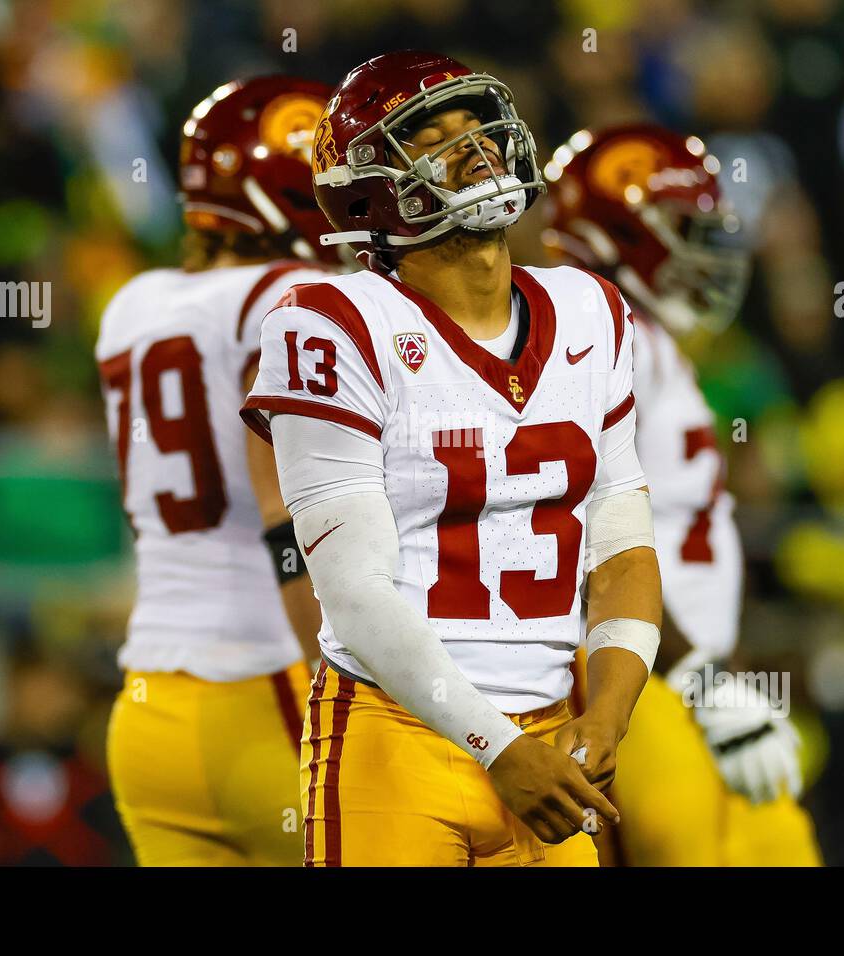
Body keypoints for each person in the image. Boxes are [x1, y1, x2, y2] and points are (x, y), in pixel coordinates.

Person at [242, 51, 663, 866]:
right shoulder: (329, 322)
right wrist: (499, 749)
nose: (475, 147)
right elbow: (354, 595)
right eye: (432, 137)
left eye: (477, 126)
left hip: (551, 742)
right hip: (393, 737)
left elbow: (622, 542)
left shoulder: (590, 308)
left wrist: (606, 717)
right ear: (371, 188)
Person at [543, 122, 820, 865]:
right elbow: (573, 538)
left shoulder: (646, 339)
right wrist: (698, 678)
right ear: (624, 231)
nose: (707, 250)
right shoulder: (599, 335)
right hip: (631, 678)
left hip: (678, 673)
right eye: (688, 227)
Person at [95, 76, 336, 865]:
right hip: (265, 686)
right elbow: (287, 515)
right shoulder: (292, 295)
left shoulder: (134, 304)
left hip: (148, 709)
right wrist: (339, 686)